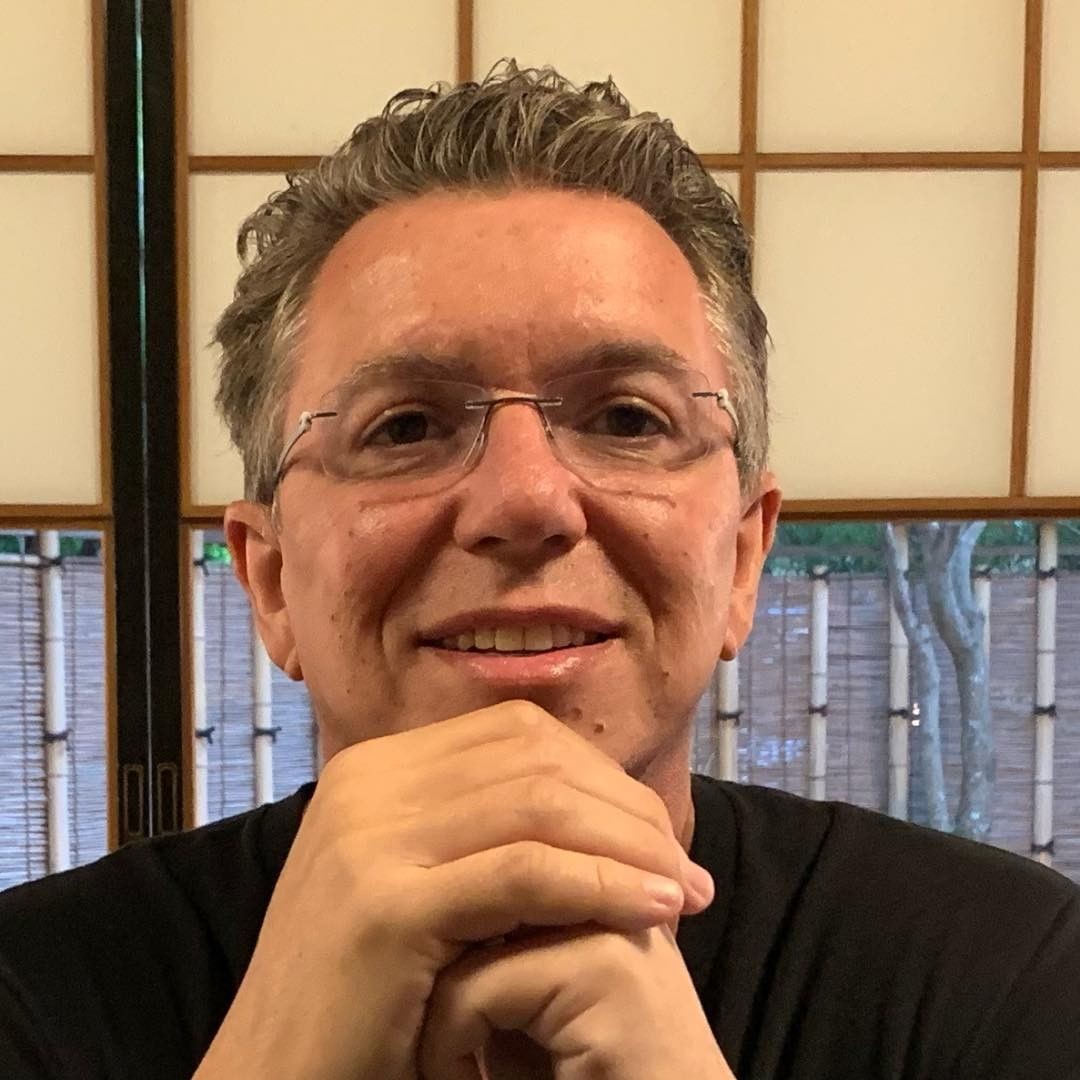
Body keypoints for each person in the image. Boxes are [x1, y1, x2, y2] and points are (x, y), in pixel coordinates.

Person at [1, 61, 1078, 1080]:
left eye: (626, 418)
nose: (525, 500)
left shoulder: (1004, 974)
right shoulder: (35, 992)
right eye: (406, 425)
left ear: (745, 556)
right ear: (271, 581)